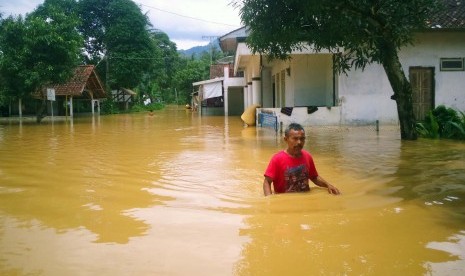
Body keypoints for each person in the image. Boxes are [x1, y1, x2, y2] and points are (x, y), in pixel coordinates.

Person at [263, 123, 340, 196]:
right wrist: (269, 201)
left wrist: (328, 185)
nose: (299, 142)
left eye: (302, 139)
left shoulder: (307, 156)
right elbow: (267, 182)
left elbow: (314, 177)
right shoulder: (277, 159)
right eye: (295, 139)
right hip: (285, 202)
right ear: (286, 139)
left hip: (305, 199)